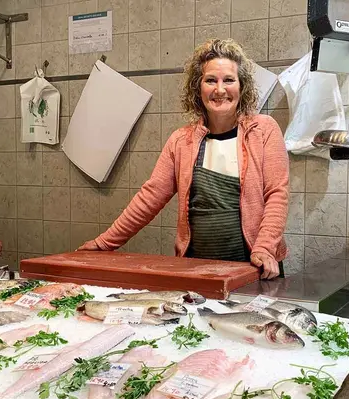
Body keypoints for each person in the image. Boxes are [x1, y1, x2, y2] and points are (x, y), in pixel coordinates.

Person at [79, 39, 289, 279]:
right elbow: (150, 198)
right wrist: (105, 243)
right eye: (211, 80)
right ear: (197, 88)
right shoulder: (181, 141)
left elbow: (276, 195)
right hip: (197, 269)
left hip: (254, 268)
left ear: (242, 86)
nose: (220, 89)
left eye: (229, 80)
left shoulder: (263, 130)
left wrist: (264, 249)